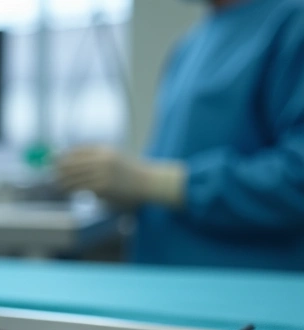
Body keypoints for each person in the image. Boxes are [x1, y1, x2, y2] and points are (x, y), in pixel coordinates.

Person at [57, 0, 304, 270]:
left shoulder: (292, 24)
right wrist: (125, 188)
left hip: (247, 292)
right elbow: (170, 161)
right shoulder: (189, 45)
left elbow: (297, 178)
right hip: (161, 280)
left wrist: (154, 182)